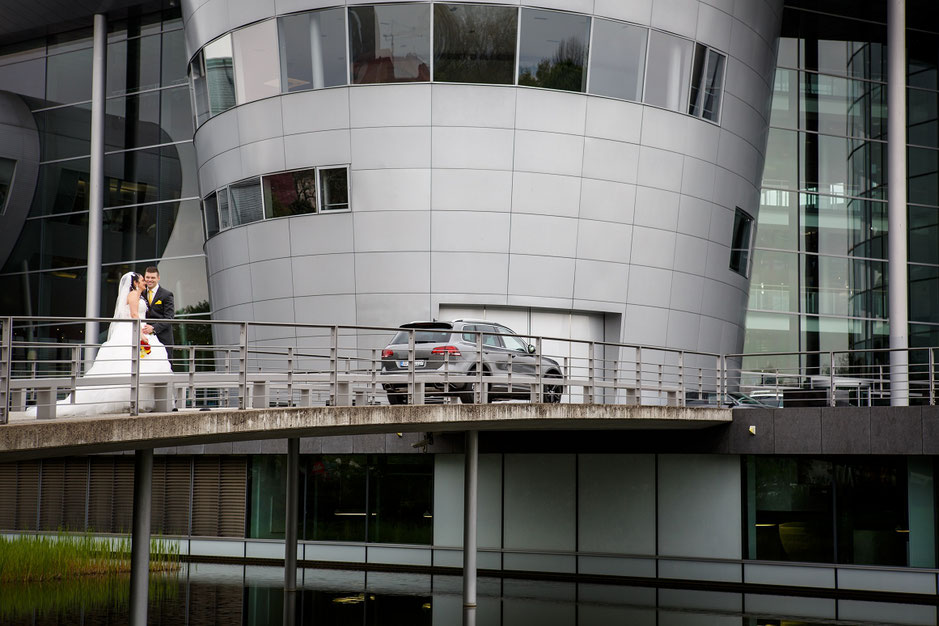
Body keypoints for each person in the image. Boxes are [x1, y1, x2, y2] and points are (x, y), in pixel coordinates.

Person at [27, 272, 173, 417]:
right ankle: (130, 401)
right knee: (128, 365)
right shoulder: (134, 295)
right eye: (142, 280)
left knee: (142, 365)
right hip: (133, 330)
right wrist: (141, 335)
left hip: (138, 329)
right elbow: (135, 315)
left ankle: (138, 400)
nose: (144, 282)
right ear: (135, 283)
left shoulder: (139, 295)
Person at [141, 266, 175, 359]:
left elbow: (169, 318)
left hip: (163, 336)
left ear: (158, 278)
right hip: (144, 337)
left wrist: (153, 328)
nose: (149, 280)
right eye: (147, 277)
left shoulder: (167, 295)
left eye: (153, 278)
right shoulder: (141, 293)